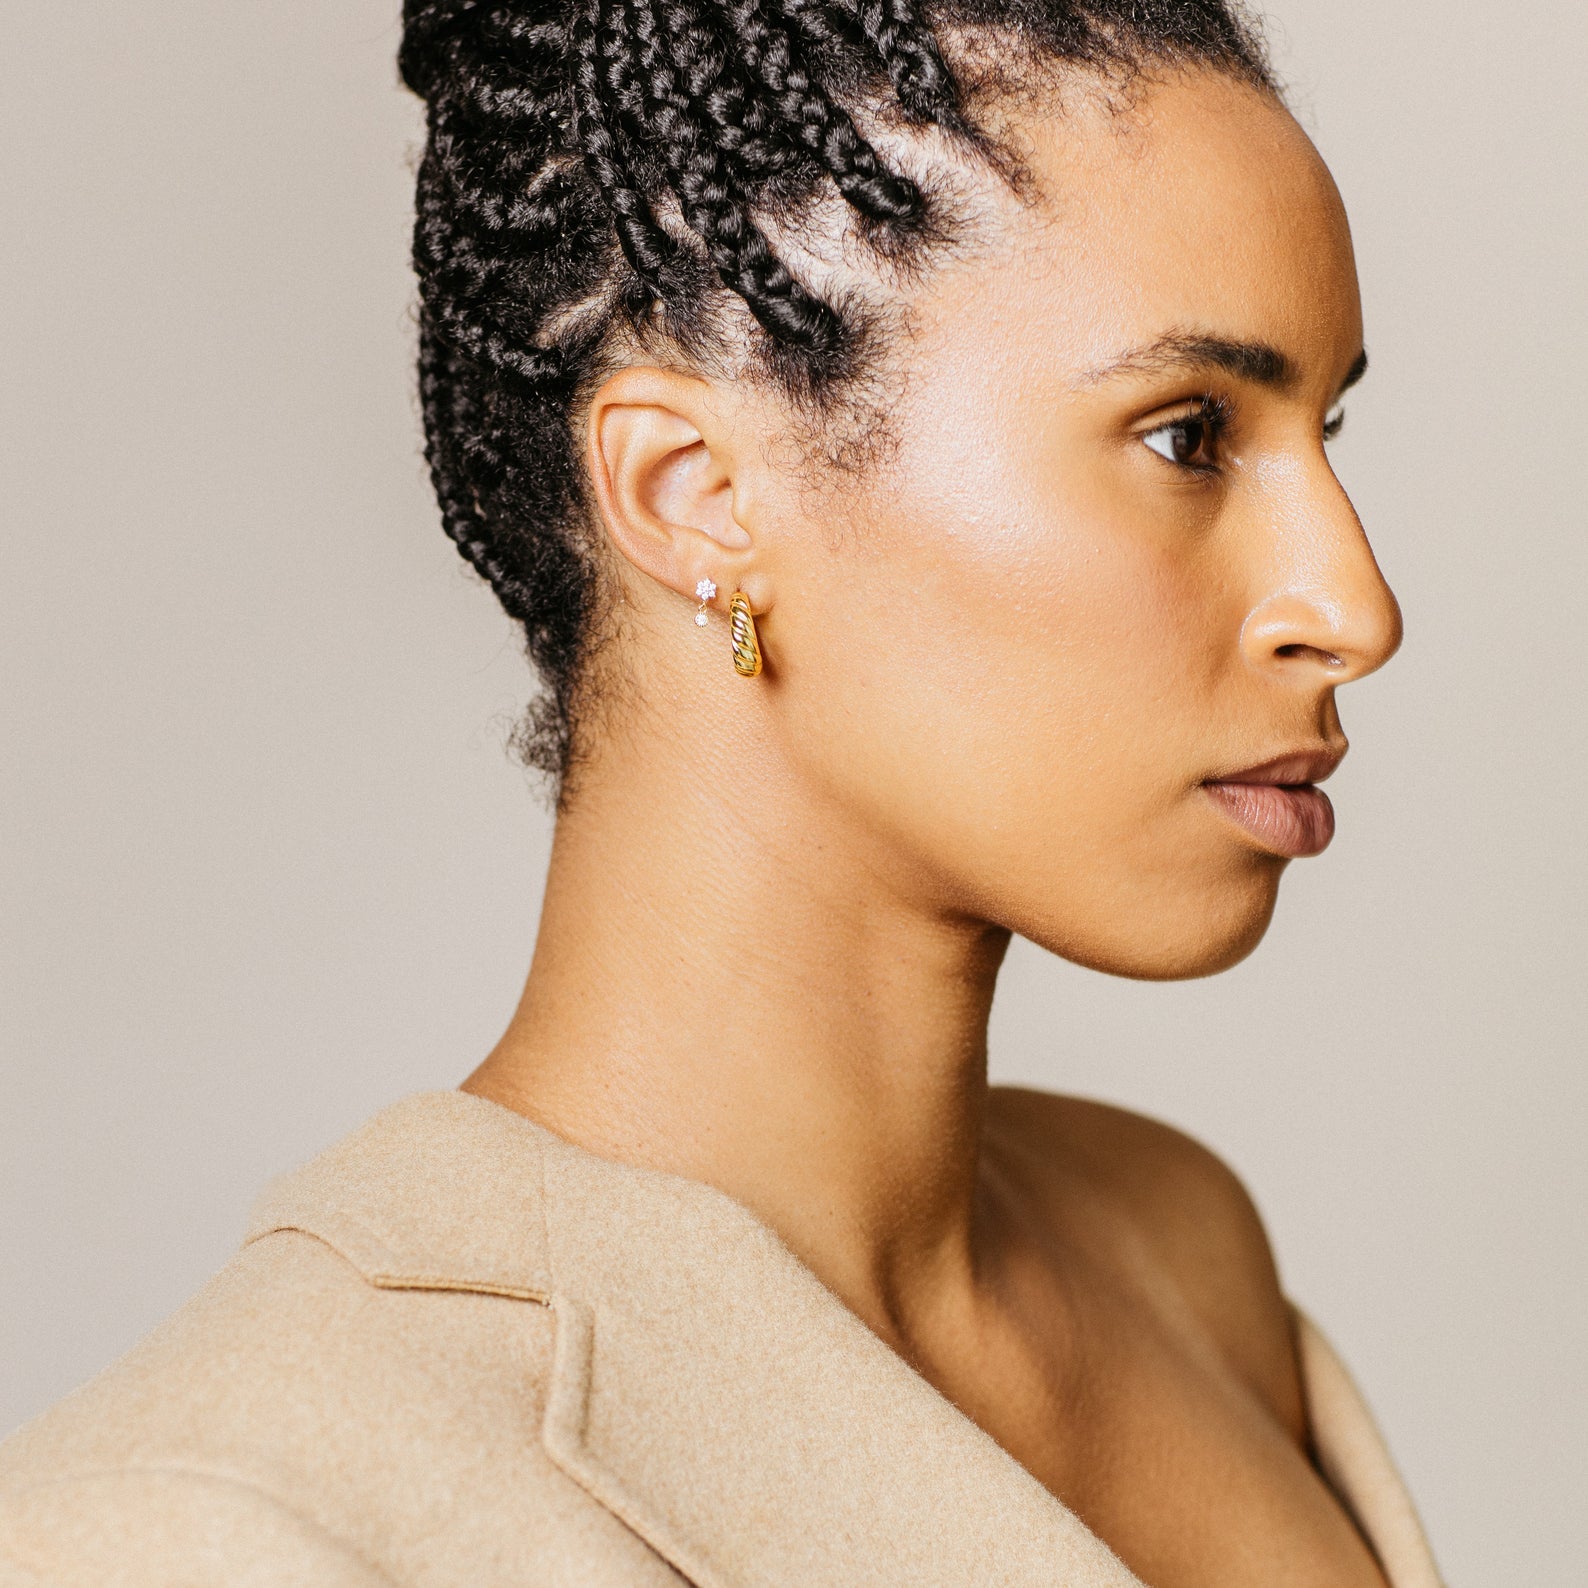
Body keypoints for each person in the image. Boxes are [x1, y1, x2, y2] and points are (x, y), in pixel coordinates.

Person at [0, 0, 1444, 1584]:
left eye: (1329, 426)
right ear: (696, 496)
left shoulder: (1174, 1249)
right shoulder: (203, 1527)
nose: (1353, 607)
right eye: (1188, 435)